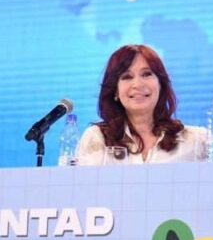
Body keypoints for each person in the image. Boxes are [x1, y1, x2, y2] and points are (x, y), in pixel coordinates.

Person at [75, 44, 206, 165]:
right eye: (127, 77)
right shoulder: (97, 138)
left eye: (146, 74)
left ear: (161, 84)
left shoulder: (196, 141)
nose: (138, 84)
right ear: (115, 90)